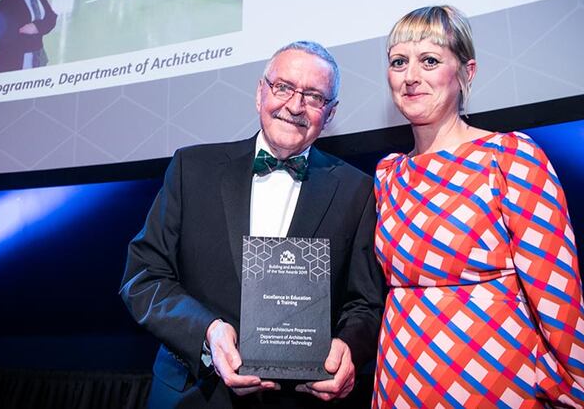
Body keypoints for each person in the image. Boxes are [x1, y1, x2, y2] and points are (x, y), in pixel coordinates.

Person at [120, 41, 385, 408]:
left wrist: (347, 347)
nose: (295, 106)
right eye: (284, 88)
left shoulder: (358, 191)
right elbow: (143, 277)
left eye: (313, 96)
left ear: (331, 111)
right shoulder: (191, 169)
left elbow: (365, 303)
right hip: (193, 393)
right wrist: (208, 333)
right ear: (260, 92)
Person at [372, 6, 584, 408]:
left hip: (495, 372)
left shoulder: (511, 157)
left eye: (429, 60)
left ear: (467, 72)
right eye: (399, 62)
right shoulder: (388, 175)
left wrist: (582, 387)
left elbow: (557, 290)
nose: (411, 76)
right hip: (402, 374)